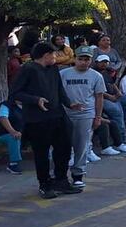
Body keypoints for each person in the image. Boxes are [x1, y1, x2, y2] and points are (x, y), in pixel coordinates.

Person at [10, 42, 81, 199]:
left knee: (64, 147)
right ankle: (44, 184)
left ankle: (61, 180)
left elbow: (59, 89)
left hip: (58, 114)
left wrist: (69, 103)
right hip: (37, 119)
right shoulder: (27, 69)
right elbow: (15, 93)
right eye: (54, 54)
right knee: (41, 153)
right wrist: (36, 100)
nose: (56, 57)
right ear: (46, 55)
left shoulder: (53, 69)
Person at [59, 46, 105, 188]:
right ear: (75, 59)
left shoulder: (96, 76)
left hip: (86, 114)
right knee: (62, 145)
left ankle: (78, 174)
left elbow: (99, 97)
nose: (84, 62)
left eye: (87, 59)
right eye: (81, 59)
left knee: (82, 145)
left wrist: (98, 117)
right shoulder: (63, 74)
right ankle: (59, 175)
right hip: (65, 114)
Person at [94, 55, 126, 153]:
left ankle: (121, 121)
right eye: (102, 62)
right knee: (116, 111)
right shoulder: (94, 73)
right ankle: (122, 140)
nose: (104, 64)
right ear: (97, 62)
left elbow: (112, 84)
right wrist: (110, 97)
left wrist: (118, 92)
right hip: (103, 97)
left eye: (106, 62)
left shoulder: (107, 72)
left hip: (113, 95)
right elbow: (97, 91)